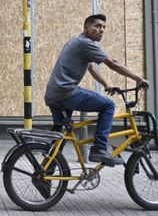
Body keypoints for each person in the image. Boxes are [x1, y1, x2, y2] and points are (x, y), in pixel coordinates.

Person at [44, 14, 149, 166]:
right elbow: (112, 63)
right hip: (66, 93)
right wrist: (138, 78)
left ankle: (45, 175)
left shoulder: (76, 41)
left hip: (54, 94)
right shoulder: (86, 43)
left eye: (104, 27)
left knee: (59, 136)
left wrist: (106, 83)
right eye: (97, 26)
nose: (101, 30)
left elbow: (91, 67)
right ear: (86, 28)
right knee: (108, 106)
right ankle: (99, 149)